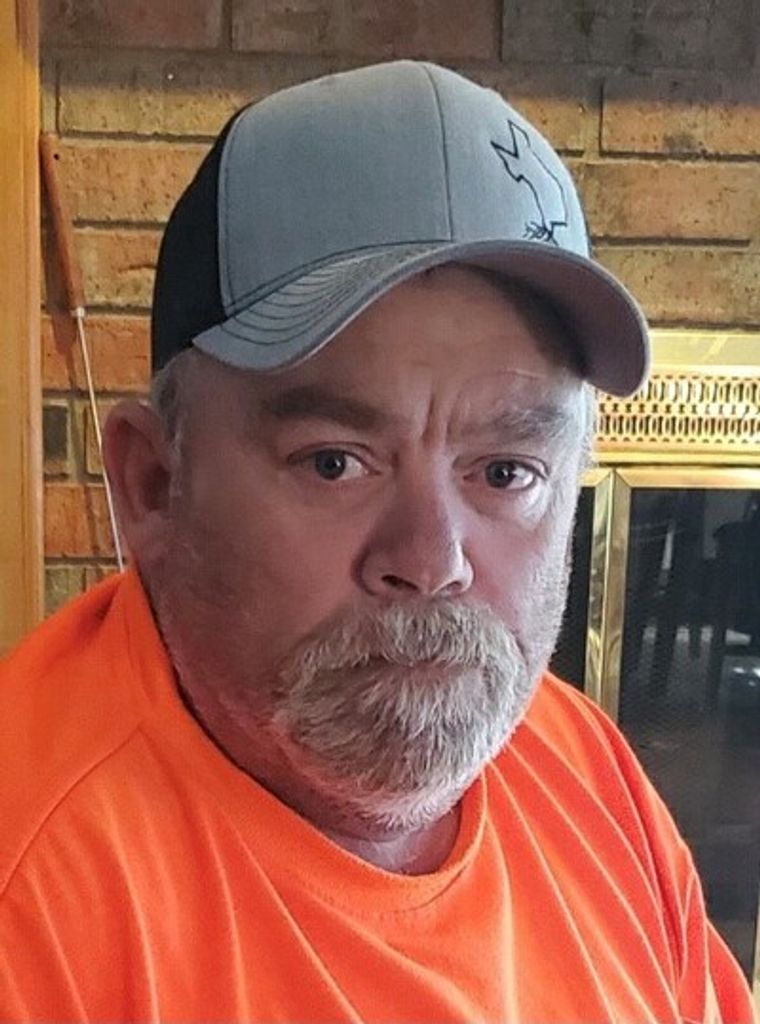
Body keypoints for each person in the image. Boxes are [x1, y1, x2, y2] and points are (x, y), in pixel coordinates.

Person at [0, 61, 754, 1023]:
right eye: (334, 463)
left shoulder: (585, 770)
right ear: (152, 484)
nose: (433, 561)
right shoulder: (34, 905)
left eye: (506, 473)